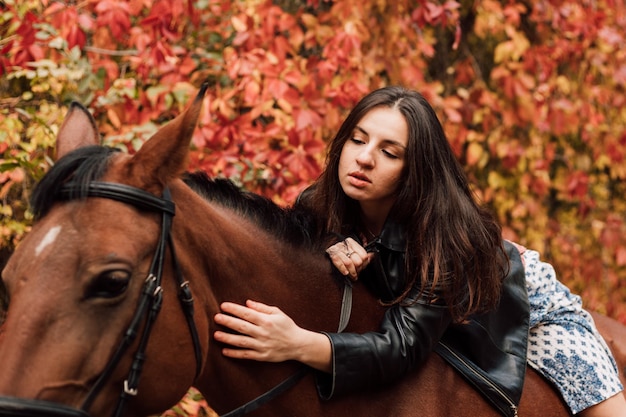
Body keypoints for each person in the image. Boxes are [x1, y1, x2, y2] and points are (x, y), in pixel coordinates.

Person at [213, 86, 626, 416]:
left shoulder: (445, 239)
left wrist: (297, 343)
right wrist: (332, 243)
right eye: (358, 139)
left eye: (389, 152)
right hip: (441, 312)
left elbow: (402, 347)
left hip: (530, 308)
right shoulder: (320, 202)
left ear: (416, 170)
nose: (364, 158)